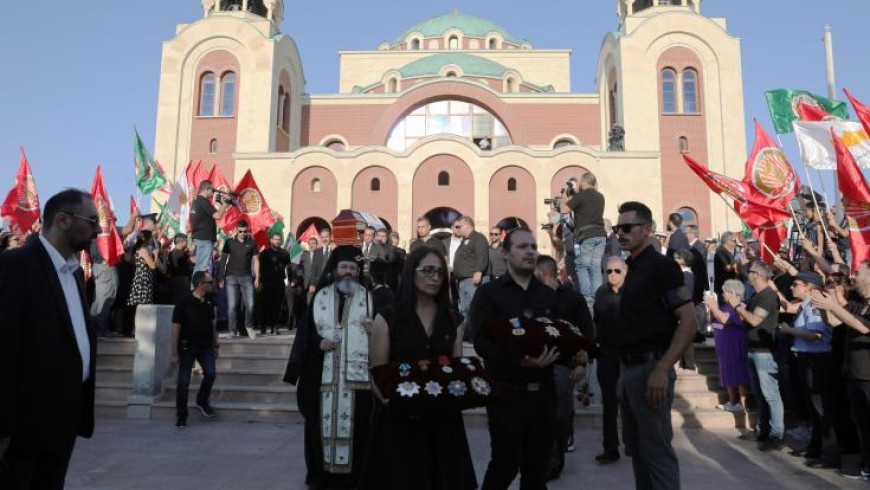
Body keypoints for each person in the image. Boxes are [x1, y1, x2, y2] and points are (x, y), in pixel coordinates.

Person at [0, 189, 99, 489]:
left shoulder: (75, 273)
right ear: (62, 220)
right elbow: (3, 348)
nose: (98, 229)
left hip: (63, 419)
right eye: (91, 220)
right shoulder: (17, 265)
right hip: (25, 427)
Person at [361, 246, 476, 490]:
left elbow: (455, 369)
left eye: (439, 272)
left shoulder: (453, 320)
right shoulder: (387, 317)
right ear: (410, 272)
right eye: (427, 270)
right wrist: (394, 403)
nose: (435, 277)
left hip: (442, 425)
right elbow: (377, 373)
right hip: (398, 424)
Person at [612, 201, 698, 490]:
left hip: (651, 369)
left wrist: (662, 368)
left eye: (627, 227)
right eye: (617, 228)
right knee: (638, 452)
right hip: (629, 371)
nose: (620, 233)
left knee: (656, 452)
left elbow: (688, 321)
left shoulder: (662, 267)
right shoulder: (633, 269)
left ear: (648, 230)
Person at [471, 228, 561, 489]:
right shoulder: (488, 294)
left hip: (544, 394)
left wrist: (570, 355)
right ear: (505, 253)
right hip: (505, 394)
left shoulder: (548, 296)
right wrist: (517, 362)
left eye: (533, 246)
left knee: (537, 470)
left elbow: (559, 335)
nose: (531, 251)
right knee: (504, 465)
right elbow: (481, 341)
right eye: (522, 247)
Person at [283, 245, 373, 489]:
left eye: (353, 268)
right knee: (318, 430)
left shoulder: (369, 298)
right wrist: (318, 342)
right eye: (344, 267)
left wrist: (375, 330)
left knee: (359, 430)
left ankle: (353, 477)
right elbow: (305, 335)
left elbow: (384, 335)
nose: (348, 272)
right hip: (322, 379)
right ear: (335, 270)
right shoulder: (320, 298)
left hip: (357, 383)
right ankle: (320, 477)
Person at [534, 254, 593, 480]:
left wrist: (581, 362)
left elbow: (587, 332)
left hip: (562, 367)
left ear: (542, 273)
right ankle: (544, 460)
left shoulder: (573, 298)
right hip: (534, 366)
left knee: (560, 415)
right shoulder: (532, 298)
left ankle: (554, 461)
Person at [812, 261, 870, 482]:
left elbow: (863, 327)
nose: (855, 277)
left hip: (868, 374)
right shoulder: (858, 301)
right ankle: (866, 466)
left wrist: (834, 307)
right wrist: (824, 306)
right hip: (854, 372)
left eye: (860, 273)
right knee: (862, 424)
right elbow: (837, 322)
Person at [778, 271, 840, 468]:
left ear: (808, 286)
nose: (791, 287)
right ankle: (816, 447)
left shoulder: (814, 305)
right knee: (814, 408)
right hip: (806, 359)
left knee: (822, 409)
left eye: (796, 283)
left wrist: (789, 330)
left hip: (817, 360)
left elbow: (815, 334)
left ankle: (830, 455)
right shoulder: (805, 305)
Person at [727, 261, 784, 451]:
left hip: (765, 353)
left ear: (757, 275)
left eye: (749, 272)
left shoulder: (768, 296)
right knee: (760, 394)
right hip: (753, 350)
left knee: (771, 395)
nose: (747, 275)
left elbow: (754, 320)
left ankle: (777, 434)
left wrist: (736, 306)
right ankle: (763, 429)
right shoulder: (756, 295)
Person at [171, 271, 219, 428]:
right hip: (187, 346)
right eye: (210, 282)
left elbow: (213, 325)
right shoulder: (183, 301)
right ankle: (182, 415)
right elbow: (175, 327)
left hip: (205, 346)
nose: (213, 285)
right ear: (200, 284)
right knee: (183, 381)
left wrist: (215, 345)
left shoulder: (210, 301)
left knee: (211, 374)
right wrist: (174, 352)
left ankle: (202, 400)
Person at [593, 256, 627, 464]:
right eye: (608, 271)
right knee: (609, 403)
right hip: (606, 354)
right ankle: (610, 447)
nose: (612, 275)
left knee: (631, 401)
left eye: (616, 271)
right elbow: (596, 319)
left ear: (625, 272)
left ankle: (633, 444)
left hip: (628, 355)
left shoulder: (634, 293)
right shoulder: (601, 292)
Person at [703, 279, 751, 413]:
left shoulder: (740, 306)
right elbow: (714, 322)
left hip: (735, 345)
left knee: (739, 372)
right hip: (723, 345)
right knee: (726, 371)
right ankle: (732, 401)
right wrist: (711, 309)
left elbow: (726, 320)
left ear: (732, 292)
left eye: (724, 291)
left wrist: (713, 306)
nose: (723, 294)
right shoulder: (724, 306)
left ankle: (743, 404)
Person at [560, 172, 606, 303]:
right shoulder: (600, 197)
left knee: (582, 266)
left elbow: (564, 209)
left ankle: (587, 299)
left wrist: (565, 194)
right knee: (596, 267)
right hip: (600, 235)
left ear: (584, 182)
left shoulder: (580, 196)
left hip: (586, 236)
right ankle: (598, 297)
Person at [221, 221, 259, 339]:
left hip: (247, 277)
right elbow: (223, 259)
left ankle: (249, 327)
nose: (243, 233)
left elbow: (256, 260)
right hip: (231, 277)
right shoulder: (229, 242)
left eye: (245, 231)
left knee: (251, 304)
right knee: (232, 306)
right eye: (240, 231)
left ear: (248, 231)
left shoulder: (252, 243)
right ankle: (232, 330)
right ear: (236, 230)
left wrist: (258, 277)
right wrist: (220, 276)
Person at [190, 180, 231, 275]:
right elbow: (217, 216)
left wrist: (221, 204)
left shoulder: (197, 202)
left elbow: (208, 215)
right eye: (212, 190)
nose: (213, 192)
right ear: (207, 189)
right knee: (203, 268)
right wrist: (226, 203)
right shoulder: (204, 201)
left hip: (200, 238)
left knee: (200, 267)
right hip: (204, 239)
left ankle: (197, 288)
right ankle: (198, 289)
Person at [453, 216, 489, 325]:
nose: (458, 229)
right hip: (462, 281)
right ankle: (467, 334)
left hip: (472, 280)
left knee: (474, 308)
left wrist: (479, 271)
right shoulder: (464, 240)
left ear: (467, 225)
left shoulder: (478, 238)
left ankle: (477, 335)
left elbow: (481, 256)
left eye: (460, 226)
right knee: (464, 310)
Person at [125, 231, 158, 337]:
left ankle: (136, 329)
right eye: (151, 238)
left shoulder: (137, 250)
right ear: (147, 239)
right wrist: (156, 255)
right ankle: (138, 330)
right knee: (143, 305)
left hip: (139, 277)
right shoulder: (143, 250)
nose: (152, 241)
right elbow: (153, 266)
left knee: (139, 306)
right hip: (143, 279)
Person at [258, 232, 292, 335]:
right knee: (265, 306)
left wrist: (289, 281)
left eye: (279, 239)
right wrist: (258, 281)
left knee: (278, 306)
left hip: (279, 283)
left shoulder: (285, 253)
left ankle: (274, 327)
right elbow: (259, 268)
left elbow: (288, 268)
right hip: (266, 283)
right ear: (271, 240)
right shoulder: (264, 253)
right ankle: (263, 326)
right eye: (275, 239)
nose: (277, 241)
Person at [88, 236, 119, 336]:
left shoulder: (96, 236)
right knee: (105, 299)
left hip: (99, 267)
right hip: (105, 266)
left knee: (98, 300)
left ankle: (95, 328)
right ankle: (101, 329)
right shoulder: (103, 235)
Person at [168, 233, 194, 306]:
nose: (187, 243)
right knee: (182, 302)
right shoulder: (179, 253)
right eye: (186, 241)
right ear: (181, 241)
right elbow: (193, 260)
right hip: (181, 281)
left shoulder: (172, 252)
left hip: (175, 280)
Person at [301, 236, 324, 302]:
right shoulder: (304, 255)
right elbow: (300, 268)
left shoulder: (322, 255)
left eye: (313, 243)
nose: (311, 245)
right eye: (310, 244)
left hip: (317, 283)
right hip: (305, 283)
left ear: (317, 245)